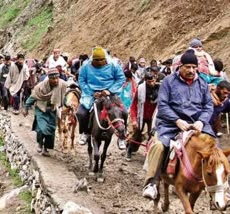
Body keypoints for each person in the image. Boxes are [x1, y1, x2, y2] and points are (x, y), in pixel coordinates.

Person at [142, 51, 215, 199]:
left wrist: (201, 121)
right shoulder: (168, 82)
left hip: (197, 124)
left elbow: (208, 106)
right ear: (180, 66)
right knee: (159, 146)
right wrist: (177, 120)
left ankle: (219, 188)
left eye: (194, 67)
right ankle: (152, 183)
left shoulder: (202, 83)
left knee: (216, 150)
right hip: (171, 124)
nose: (191, 70)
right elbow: (162, 105)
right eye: (188, 67)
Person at [76, 46, 126, 148]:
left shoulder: (113, 65)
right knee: (80, 113)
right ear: (92, 59)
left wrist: (110, 90)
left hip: (110, 93)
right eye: (96, 60)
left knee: (124, 112)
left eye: (101, 60)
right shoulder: (85, 66)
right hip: (91, 93)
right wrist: (91, 92)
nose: (99, 62)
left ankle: (122, 136)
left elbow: (121, 78)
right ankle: (85, 132)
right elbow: (81, 80)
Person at [22, 68, 69, 155]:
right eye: (53, 78)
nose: (56, 80)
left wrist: (67, 105)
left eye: (57, 78)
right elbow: (33, 97)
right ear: (49, 78)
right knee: (41, 129)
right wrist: (26, 107)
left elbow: (63, 97)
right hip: (41, 110)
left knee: (51, 130)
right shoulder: (41, 87)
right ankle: (40, 144)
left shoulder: (61, 85)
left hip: (52, 110)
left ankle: (46, 148)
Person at [127, 71, 159, 161]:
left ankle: (148, 153)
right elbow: (133, 105)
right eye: (149, 82)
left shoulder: (160, 88)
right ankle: (129, 150)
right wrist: (134, 120)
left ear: (155, 79)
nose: (152, 83)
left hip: (153, 117)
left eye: (153, 81)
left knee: (152, 135)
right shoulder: (140, 89)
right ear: (145, 81)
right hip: (141, 115)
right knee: (137, 133)